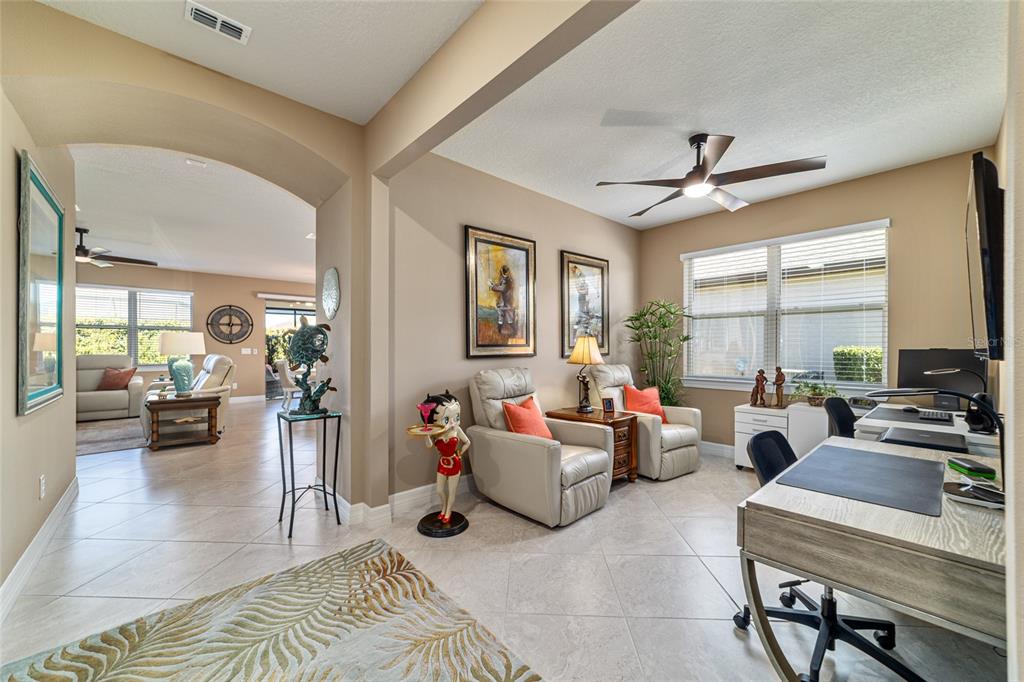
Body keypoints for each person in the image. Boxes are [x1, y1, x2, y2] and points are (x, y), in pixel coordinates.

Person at [421, 391, 471, 525]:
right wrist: (426, 435)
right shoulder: (436, 433)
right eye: (447, 419)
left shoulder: (457, 430)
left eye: (457, 416)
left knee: (452, 490)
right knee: (439, 490)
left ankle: (448, 511)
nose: (453, 422)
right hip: (442, 463)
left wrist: (460, 453)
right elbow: (429, 445)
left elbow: (467, 442)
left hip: (454, 462)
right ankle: (443, 508)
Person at [489, 264, 517, 338]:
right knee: (501, 318)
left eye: (501, 271)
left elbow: (502, 288)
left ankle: (514, 333)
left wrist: (492, 287)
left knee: (509, 319)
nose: (500, 273)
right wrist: (493, 284)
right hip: (503, 304)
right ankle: (499, 333)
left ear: (502, 271)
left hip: (506, 304)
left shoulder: (508, 280)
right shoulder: (505, 279)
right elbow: (499, 286)